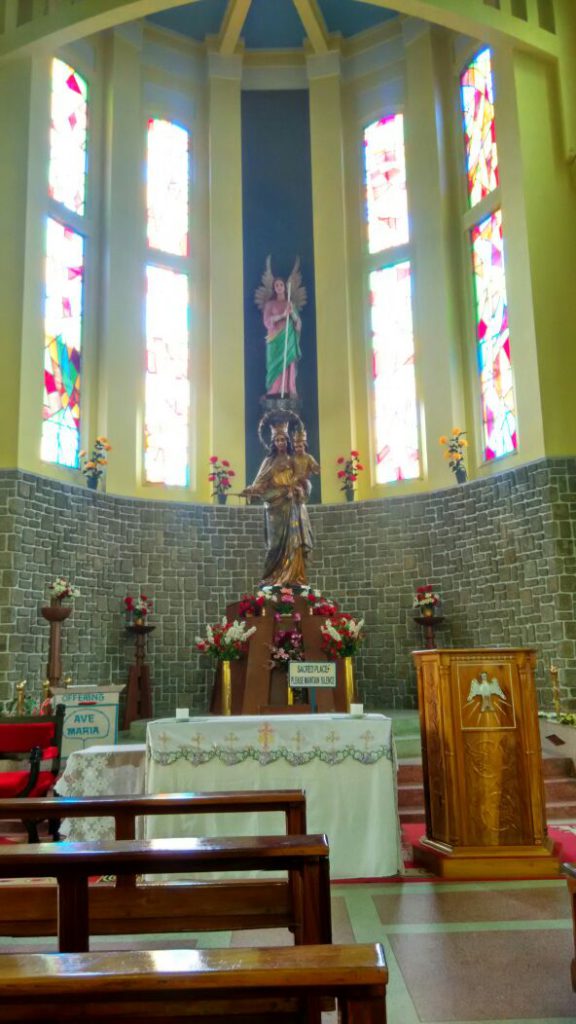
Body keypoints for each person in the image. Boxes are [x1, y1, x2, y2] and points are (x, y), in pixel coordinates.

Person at [241, 423, 312, 585]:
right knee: (274, 545)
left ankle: (294, 578)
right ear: (273, 443)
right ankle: (270, 579)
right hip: (275, 507)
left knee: (295, 545)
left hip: (293, 506)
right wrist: (251, 490)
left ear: (288, 442)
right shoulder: (269, 461)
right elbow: (259, 483)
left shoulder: (294, 460)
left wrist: (301, 490)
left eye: (283, 440)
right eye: (278, 440)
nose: (281, 443)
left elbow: (305, 481)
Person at [262, 278, 302, 398]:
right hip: (274, 339)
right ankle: (274, 390)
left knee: (288, 362)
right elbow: (267, 321)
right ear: (274, 288)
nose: (279, 287)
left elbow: (298, 324)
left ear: (285, 287)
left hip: (288, 339)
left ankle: (287, 388)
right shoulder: (270, 304)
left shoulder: (290, 304)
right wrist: (282, 315)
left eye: (281, 284)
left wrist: (292, 314)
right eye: (276, 285)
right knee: (274, 365)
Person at [291, 428, 320, 499]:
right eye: (296, 447)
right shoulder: (293, 458)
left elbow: (316, 468)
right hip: (294, 482)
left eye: (300, 446)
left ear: (304, 446)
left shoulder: (308, 457)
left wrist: (314, 467)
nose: (298, 449)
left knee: (305, 491)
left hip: (304, 482)